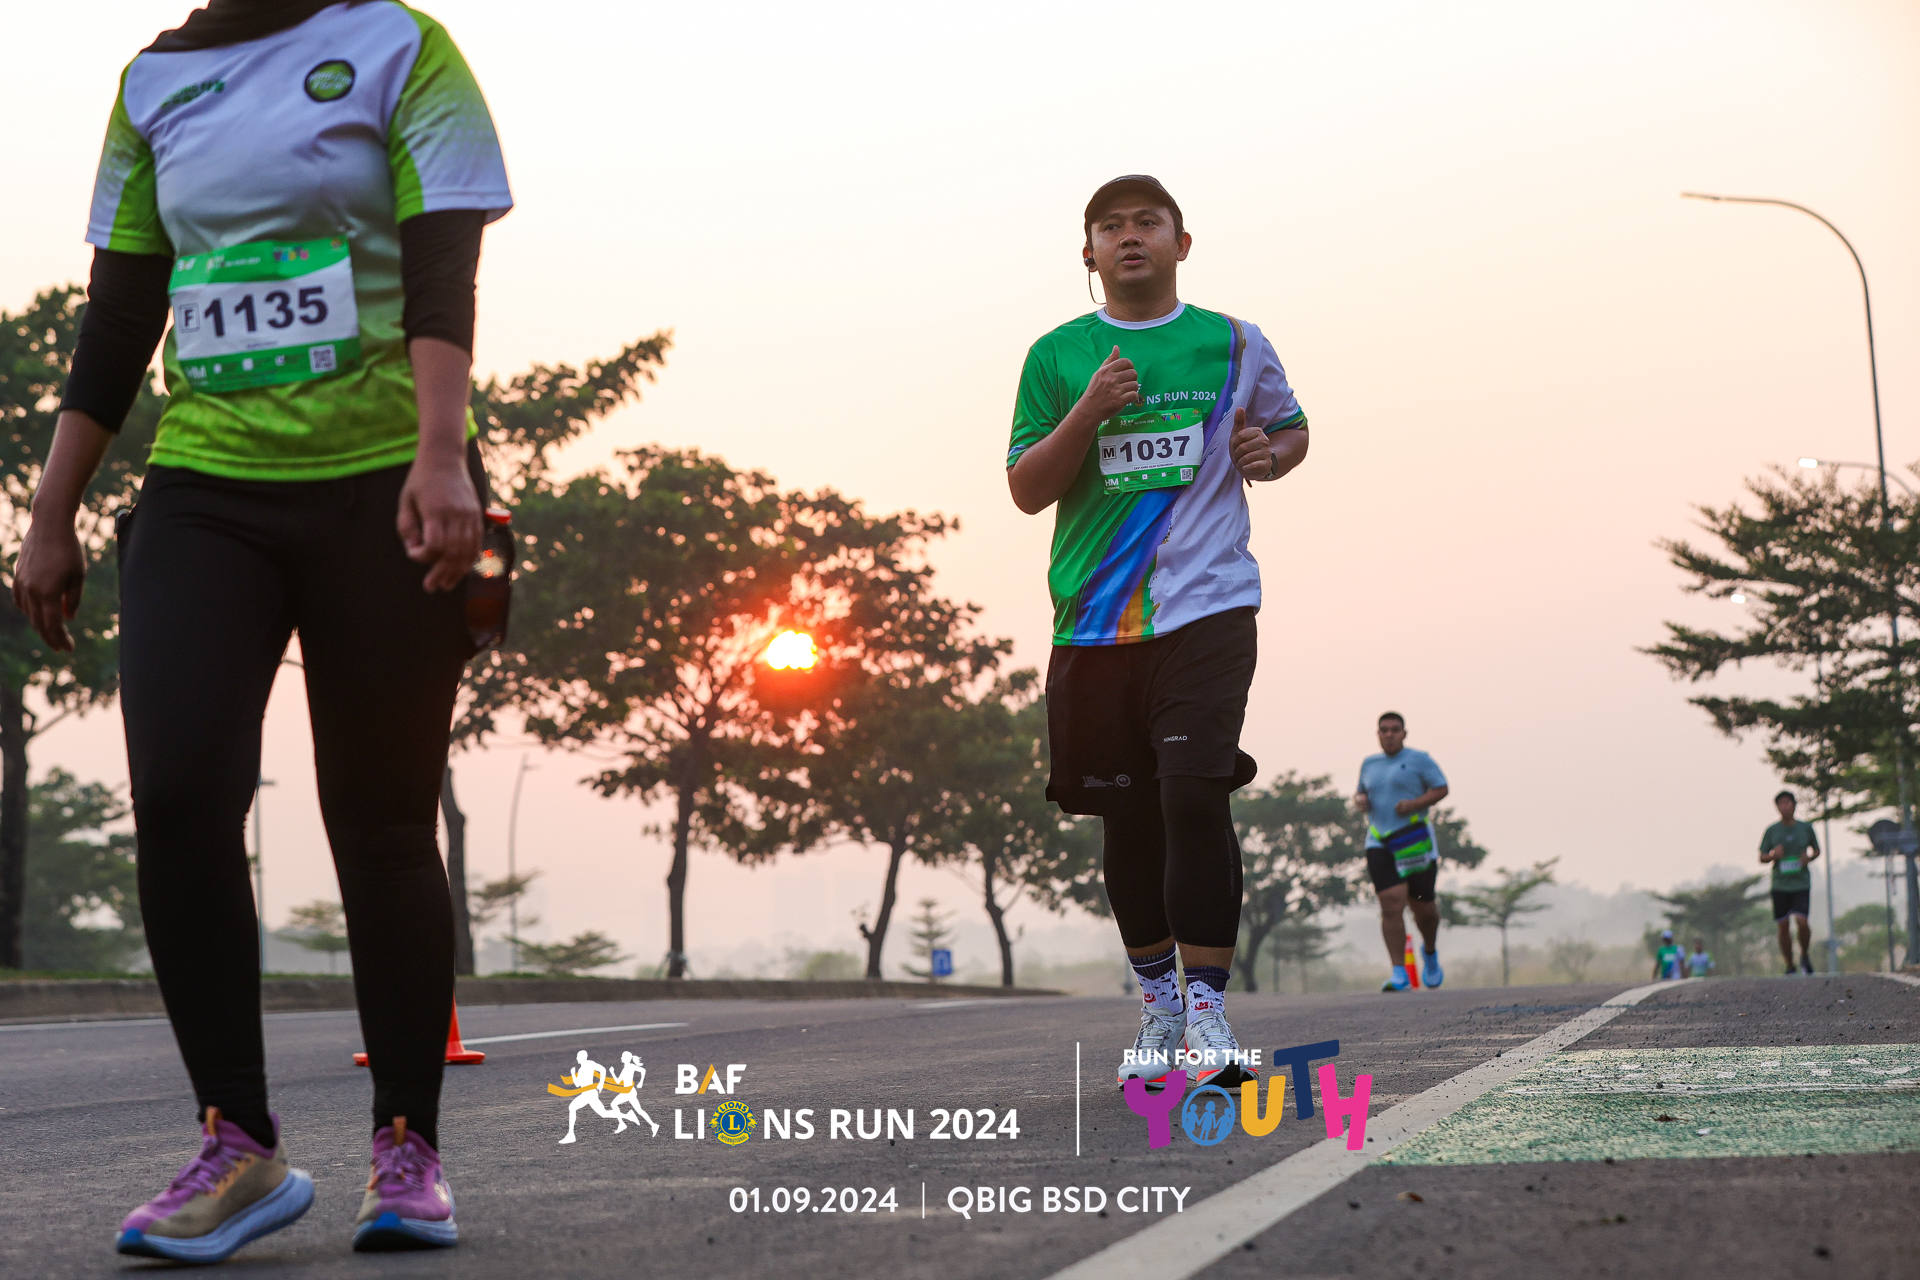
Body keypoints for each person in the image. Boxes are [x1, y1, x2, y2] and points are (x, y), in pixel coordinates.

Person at [10, 0, 510, 1261]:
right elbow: (122, 311)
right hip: (206, 486)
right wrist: (52, 509)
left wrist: (442, 455)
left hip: (387, 480)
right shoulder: (153, 82)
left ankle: (408, 1148)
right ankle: (237, 1143)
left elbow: (441, 267)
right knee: (181, 797)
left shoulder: (401, 46)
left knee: (381, 821)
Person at [1006, 175, 1309, 1092]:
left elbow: (1291, 433)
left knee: (1193, 795)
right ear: (1088, 252)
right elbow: (1027, 489)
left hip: (1209, 607)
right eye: (1111, 227)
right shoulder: (1058, 356)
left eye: (1148, 222)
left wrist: (1269, 456)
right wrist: (1088, 411)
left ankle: (1209, 1014)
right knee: (1130, 816)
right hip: (1096, 621)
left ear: (1182, 242)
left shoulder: (1235, 343)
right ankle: (1159, 1003)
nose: (1130, 237)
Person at [1354, 712, 1449, 992]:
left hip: (1414, 841)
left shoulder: (1420, 759)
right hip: (1379, 841)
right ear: (1378, 734)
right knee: (1390, 904)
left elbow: (1441, 788)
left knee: (1424, 909)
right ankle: (1399, 971)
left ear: (1404, 733)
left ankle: (1429, 952)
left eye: (1395, 730)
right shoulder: (1369, 763)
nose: (1389, 734)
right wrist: (1360, 801)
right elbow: (1361, 794)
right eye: (1384, 730)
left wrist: (1414, 804)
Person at [1761, 790, 1821, 975]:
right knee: (1783, 925)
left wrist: (1808, 858)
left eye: (1788, 803)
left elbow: (1816, 850)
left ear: (1794, 805)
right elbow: (1762, 857)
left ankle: (1805, 954)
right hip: (1780, 884)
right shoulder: (1772, 831)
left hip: (1801, 883)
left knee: (1802, 921)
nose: (1785, 806)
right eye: (1781, 804)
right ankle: (1789, 964)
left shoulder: (1805, 828)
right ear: (1777, 808)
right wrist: (1773, 855)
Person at [559, 1051, 624, 1143]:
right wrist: (573, 1074)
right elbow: (578, 1084)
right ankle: (628, 1116)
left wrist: (601, 1083)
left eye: (578, 1057)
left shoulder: (589, 1063)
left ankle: (571, 1135)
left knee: (572, 1107)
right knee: (603, 1113)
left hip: (589, 1093)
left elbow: (602, 1069)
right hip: (587, 1093)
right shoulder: (580, 1070)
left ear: (582, 1057)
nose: (576, 1058)